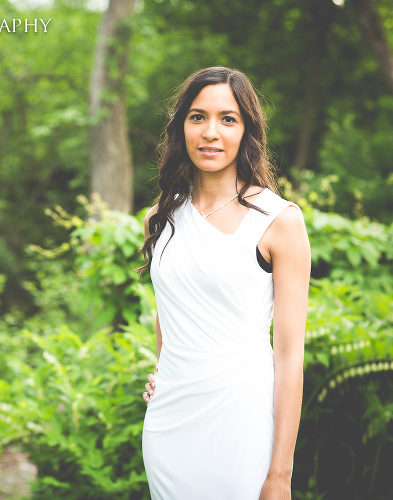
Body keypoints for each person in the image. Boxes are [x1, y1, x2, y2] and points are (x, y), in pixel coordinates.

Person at [138, 67, 310, 500]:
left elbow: (289, 357)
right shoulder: (159, 218)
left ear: (246, 131)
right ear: (181, 127)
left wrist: (280, 475)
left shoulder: (279, 221)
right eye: (197, 117)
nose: (210, 132)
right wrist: (164, 369)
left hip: (242, 425)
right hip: (169, 427)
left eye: (227, 119)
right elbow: (169, 307)